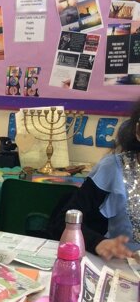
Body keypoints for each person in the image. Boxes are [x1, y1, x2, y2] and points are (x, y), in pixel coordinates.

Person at [50, 102, 140, 260]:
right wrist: (98, 242)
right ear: (138, 131)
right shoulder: (113, 168)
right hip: (119, 265)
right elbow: (62, 222)